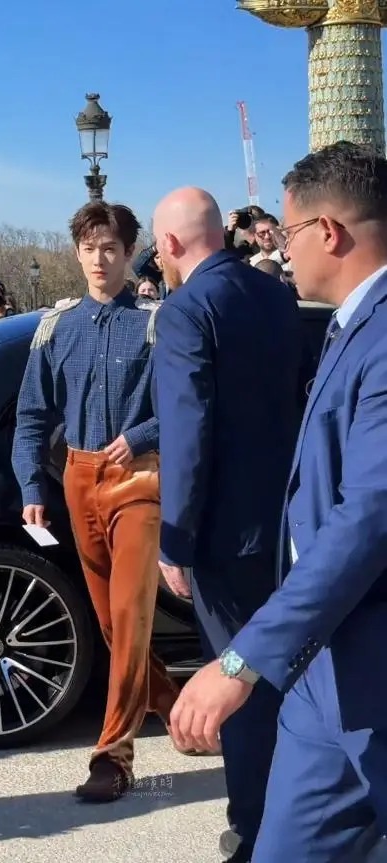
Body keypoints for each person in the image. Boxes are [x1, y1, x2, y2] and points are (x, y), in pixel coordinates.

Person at [169, 142, 387, 862]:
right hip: (322, 672)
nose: (281, 250)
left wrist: (241, 661)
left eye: (288, 233)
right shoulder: (347, 322)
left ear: (328, 231)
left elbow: (368, 517)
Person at [152, 187, 304, 863]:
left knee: (238, 682)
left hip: (224, 532)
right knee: (286, 676)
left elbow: (187, 431)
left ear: (170, 244)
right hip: (287, 518)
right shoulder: (274, 294)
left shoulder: (187, 309)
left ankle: (255, 829)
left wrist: (175, 540)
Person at [12, 201, 180, 803]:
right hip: (79, 479)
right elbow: (32, 416)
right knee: (111, 623)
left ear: (130, 253)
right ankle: (176, 707)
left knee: (131, 617)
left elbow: (186, 405)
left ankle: (113, 756)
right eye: (90, 248)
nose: (100, 259)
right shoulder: (55, 328)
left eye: (111, 248)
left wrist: (142, 435)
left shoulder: (157, 324)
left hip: (138, 479)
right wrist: (33, 487)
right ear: (77, 253)